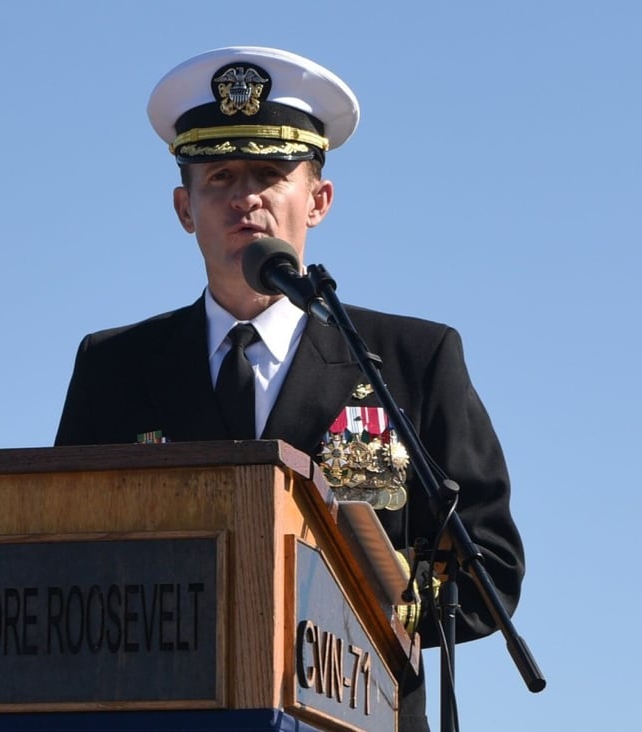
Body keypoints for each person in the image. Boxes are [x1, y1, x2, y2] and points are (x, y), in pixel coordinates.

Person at [55, 46, 524, 732]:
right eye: (219, 176)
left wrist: (379, 604)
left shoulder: (412, 362)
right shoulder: (115, 367)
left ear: (319, 199)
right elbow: (65, 555)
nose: (245, 196)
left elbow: (491, 568)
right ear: (185, 208)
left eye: (271, 173)